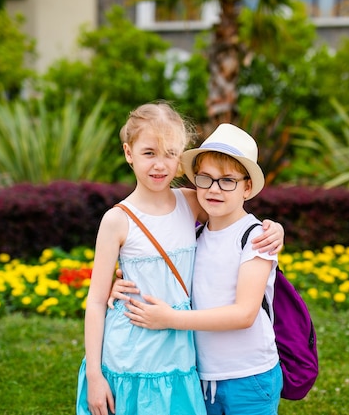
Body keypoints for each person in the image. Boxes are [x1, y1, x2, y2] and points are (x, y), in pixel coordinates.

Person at [76, 103, 283, 415]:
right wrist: (94, 374)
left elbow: (233, 213)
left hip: (180, 355)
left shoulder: (190, 201)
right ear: (128, 153)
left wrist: (276, 228)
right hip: (130, 353)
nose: (160, 165)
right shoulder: (116, 220)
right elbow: (95, 301)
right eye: (149, 153)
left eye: (170, 153)